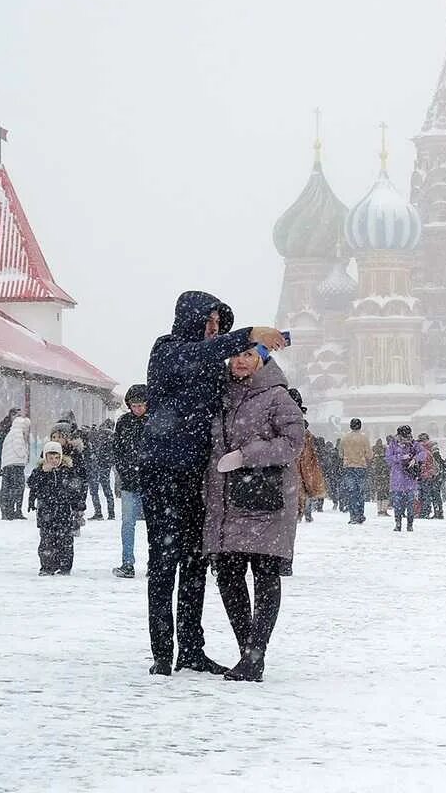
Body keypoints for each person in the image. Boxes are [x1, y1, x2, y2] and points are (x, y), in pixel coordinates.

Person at [141, 289, 285, 677]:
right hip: (163, 472)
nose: (213, 330)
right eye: (209, 322)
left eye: (219, 326)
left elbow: (247, 379)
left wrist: (262, 357)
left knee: (195, 564)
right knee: (163, 564)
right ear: (190, 319)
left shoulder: (211, 363)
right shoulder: (168, 350)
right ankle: (161, 651)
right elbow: (196, 355)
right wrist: (249, 332)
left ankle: (190, 649)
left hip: (198, 475)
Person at [204, 346, 305, 682]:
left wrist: (247, 455)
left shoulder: (277, 396)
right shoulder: (220, 396)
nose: (240, 361)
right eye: (234, 355)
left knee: (264, 575)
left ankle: (255, 654)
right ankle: (246, 651)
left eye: (248, 355)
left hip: (266, 499)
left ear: (262, 360)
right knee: (229, 577)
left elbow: (293, 442)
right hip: (227, 501)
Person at [27, 441, 87, 575]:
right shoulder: (39, 471)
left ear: (61, 457)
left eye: (56, 458)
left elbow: (76, 489)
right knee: (47, 540)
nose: (54, 461)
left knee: (65, 540)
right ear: (45, 458)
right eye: (50, 458)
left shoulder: (67, 471)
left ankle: (65, 566)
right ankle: (47, 566)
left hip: (64, 512)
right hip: (45, 512)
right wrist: (42, 474)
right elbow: (32, 485)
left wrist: (79, 504)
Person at [112, 385, 149, 578]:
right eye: (134, 405)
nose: (138, 409)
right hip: (129, 482)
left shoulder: (154, 421)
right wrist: (124, 472)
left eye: (141, 405)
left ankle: (155, 562)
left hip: (151, 482)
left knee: (154, 524)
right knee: (128, 524)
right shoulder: (123, 422)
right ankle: (127, 563)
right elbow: (117, 450)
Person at [289, 388, 327, 527]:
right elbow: (307, 463)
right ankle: (307, 513)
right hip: (293, 483)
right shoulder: (304, 435)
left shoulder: (269, 422)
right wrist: (312, 487)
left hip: (271, 484)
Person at [49, 420, 91, 537]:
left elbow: (81, 476)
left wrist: (80, 498)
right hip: (53, 493)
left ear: (67, 438)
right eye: (53, 437)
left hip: (71, 491)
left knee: (70, 512)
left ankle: (74, 523)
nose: (56, 440)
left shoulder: (74, 453)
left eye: (60, 437)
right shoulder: (47, 452)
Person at [386, 427, 429, 532]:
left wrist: (415, 459)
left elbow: (423, 454)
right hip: (398, 479)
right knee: (398, 504)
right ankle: (398, 523)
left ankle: (410, 524)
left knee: (410, 504)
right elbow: (388, 459)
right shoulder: (393, 444)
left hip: (409, 478)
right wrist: (401, 457)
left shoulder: (414, 444)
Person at [0, 409, 31, 520]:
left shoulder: (10, 431)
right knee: (16, 488)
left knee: (8, 488)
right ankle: (13, 511)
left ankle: (8, 511)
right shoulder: (17, 433)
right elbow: (19, 449)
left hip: (8, 464)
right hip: (15, 465)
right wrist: (25, 456)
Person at [339, 418, 370, 525]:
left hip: (348, 467)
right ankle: (360, 514)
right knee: (360, 493)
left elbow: (340, 454)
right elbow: (369, 454)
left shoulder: (345, 438)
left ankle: (353, 515)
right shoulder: (364, 438)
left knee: (352, 493)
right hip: (361, 467)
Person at [369, 439, 391, 517]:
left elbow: (370, 464)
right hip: (385, 476)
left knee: (379, 493)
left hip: (377, 476)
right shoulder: (385, 458)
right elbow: (389, 466)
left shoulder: (375, 457)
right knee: (385, 493)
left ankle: (379, 510)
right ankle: (384, 510)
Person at [0, 406, 20, 475]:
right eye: (15, 414)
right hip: (5, 442)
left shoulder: (16, 423)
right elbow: (2, 433)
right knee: (3, 453)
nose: (17, 417)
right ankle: (1, 469)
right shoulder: (6, 422)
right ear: (11, 414)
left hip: (12, 444)